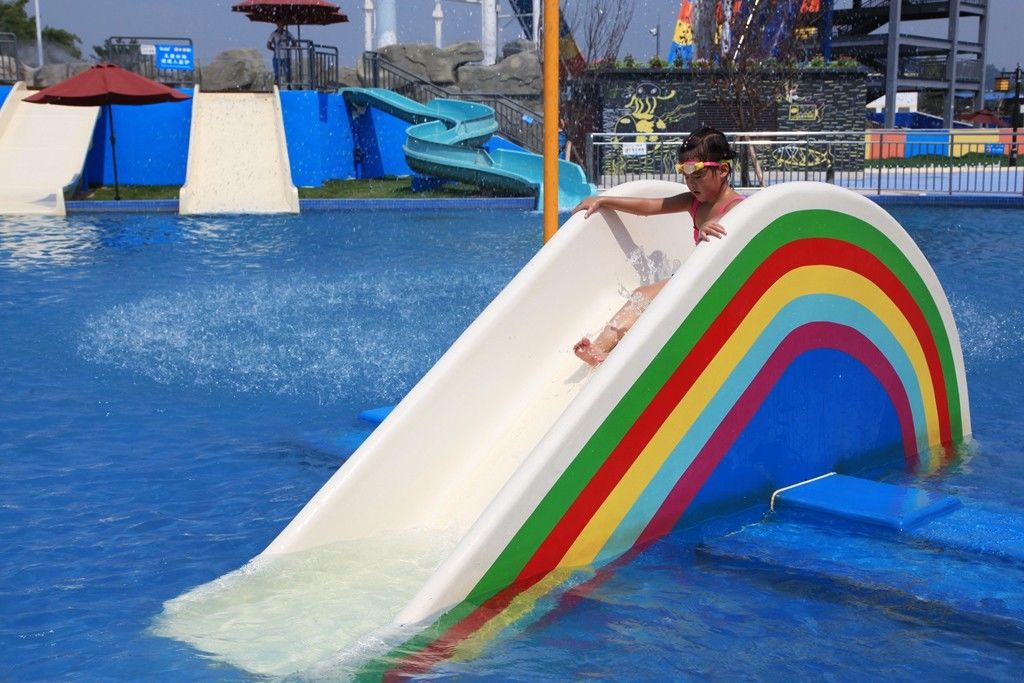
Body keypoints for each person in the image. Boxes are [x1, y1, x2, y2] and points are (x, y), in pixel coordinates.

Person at [571, 127, 744, 367]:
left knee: (658, 300)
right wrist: (603, 200)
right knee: (643, 294)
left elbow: (737, 233)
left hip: (721, 288)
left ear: (723, 170)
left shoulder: (737, 208)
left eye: (698, 175)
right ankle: (599, 351)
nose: (691, 183)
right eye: (686, 176)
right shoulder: (693, 202)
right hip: (693, 278)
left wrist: (714, 226)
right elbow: (649, 206)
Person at [267, 20, 294, 85]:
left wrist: (289, 48)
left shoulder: (287, 33)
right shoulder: (274, 34)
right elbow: (268, 45)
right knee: (277, 73)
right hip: (277, 57)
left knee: (288, 73)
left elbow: (294, 42)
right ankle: (277, 86)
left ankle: (289, 86)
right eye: (279, 23)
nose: (281, 25)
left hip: (286, 56)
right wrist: (274, 49)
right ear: (277, 24)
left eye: (282, 23)